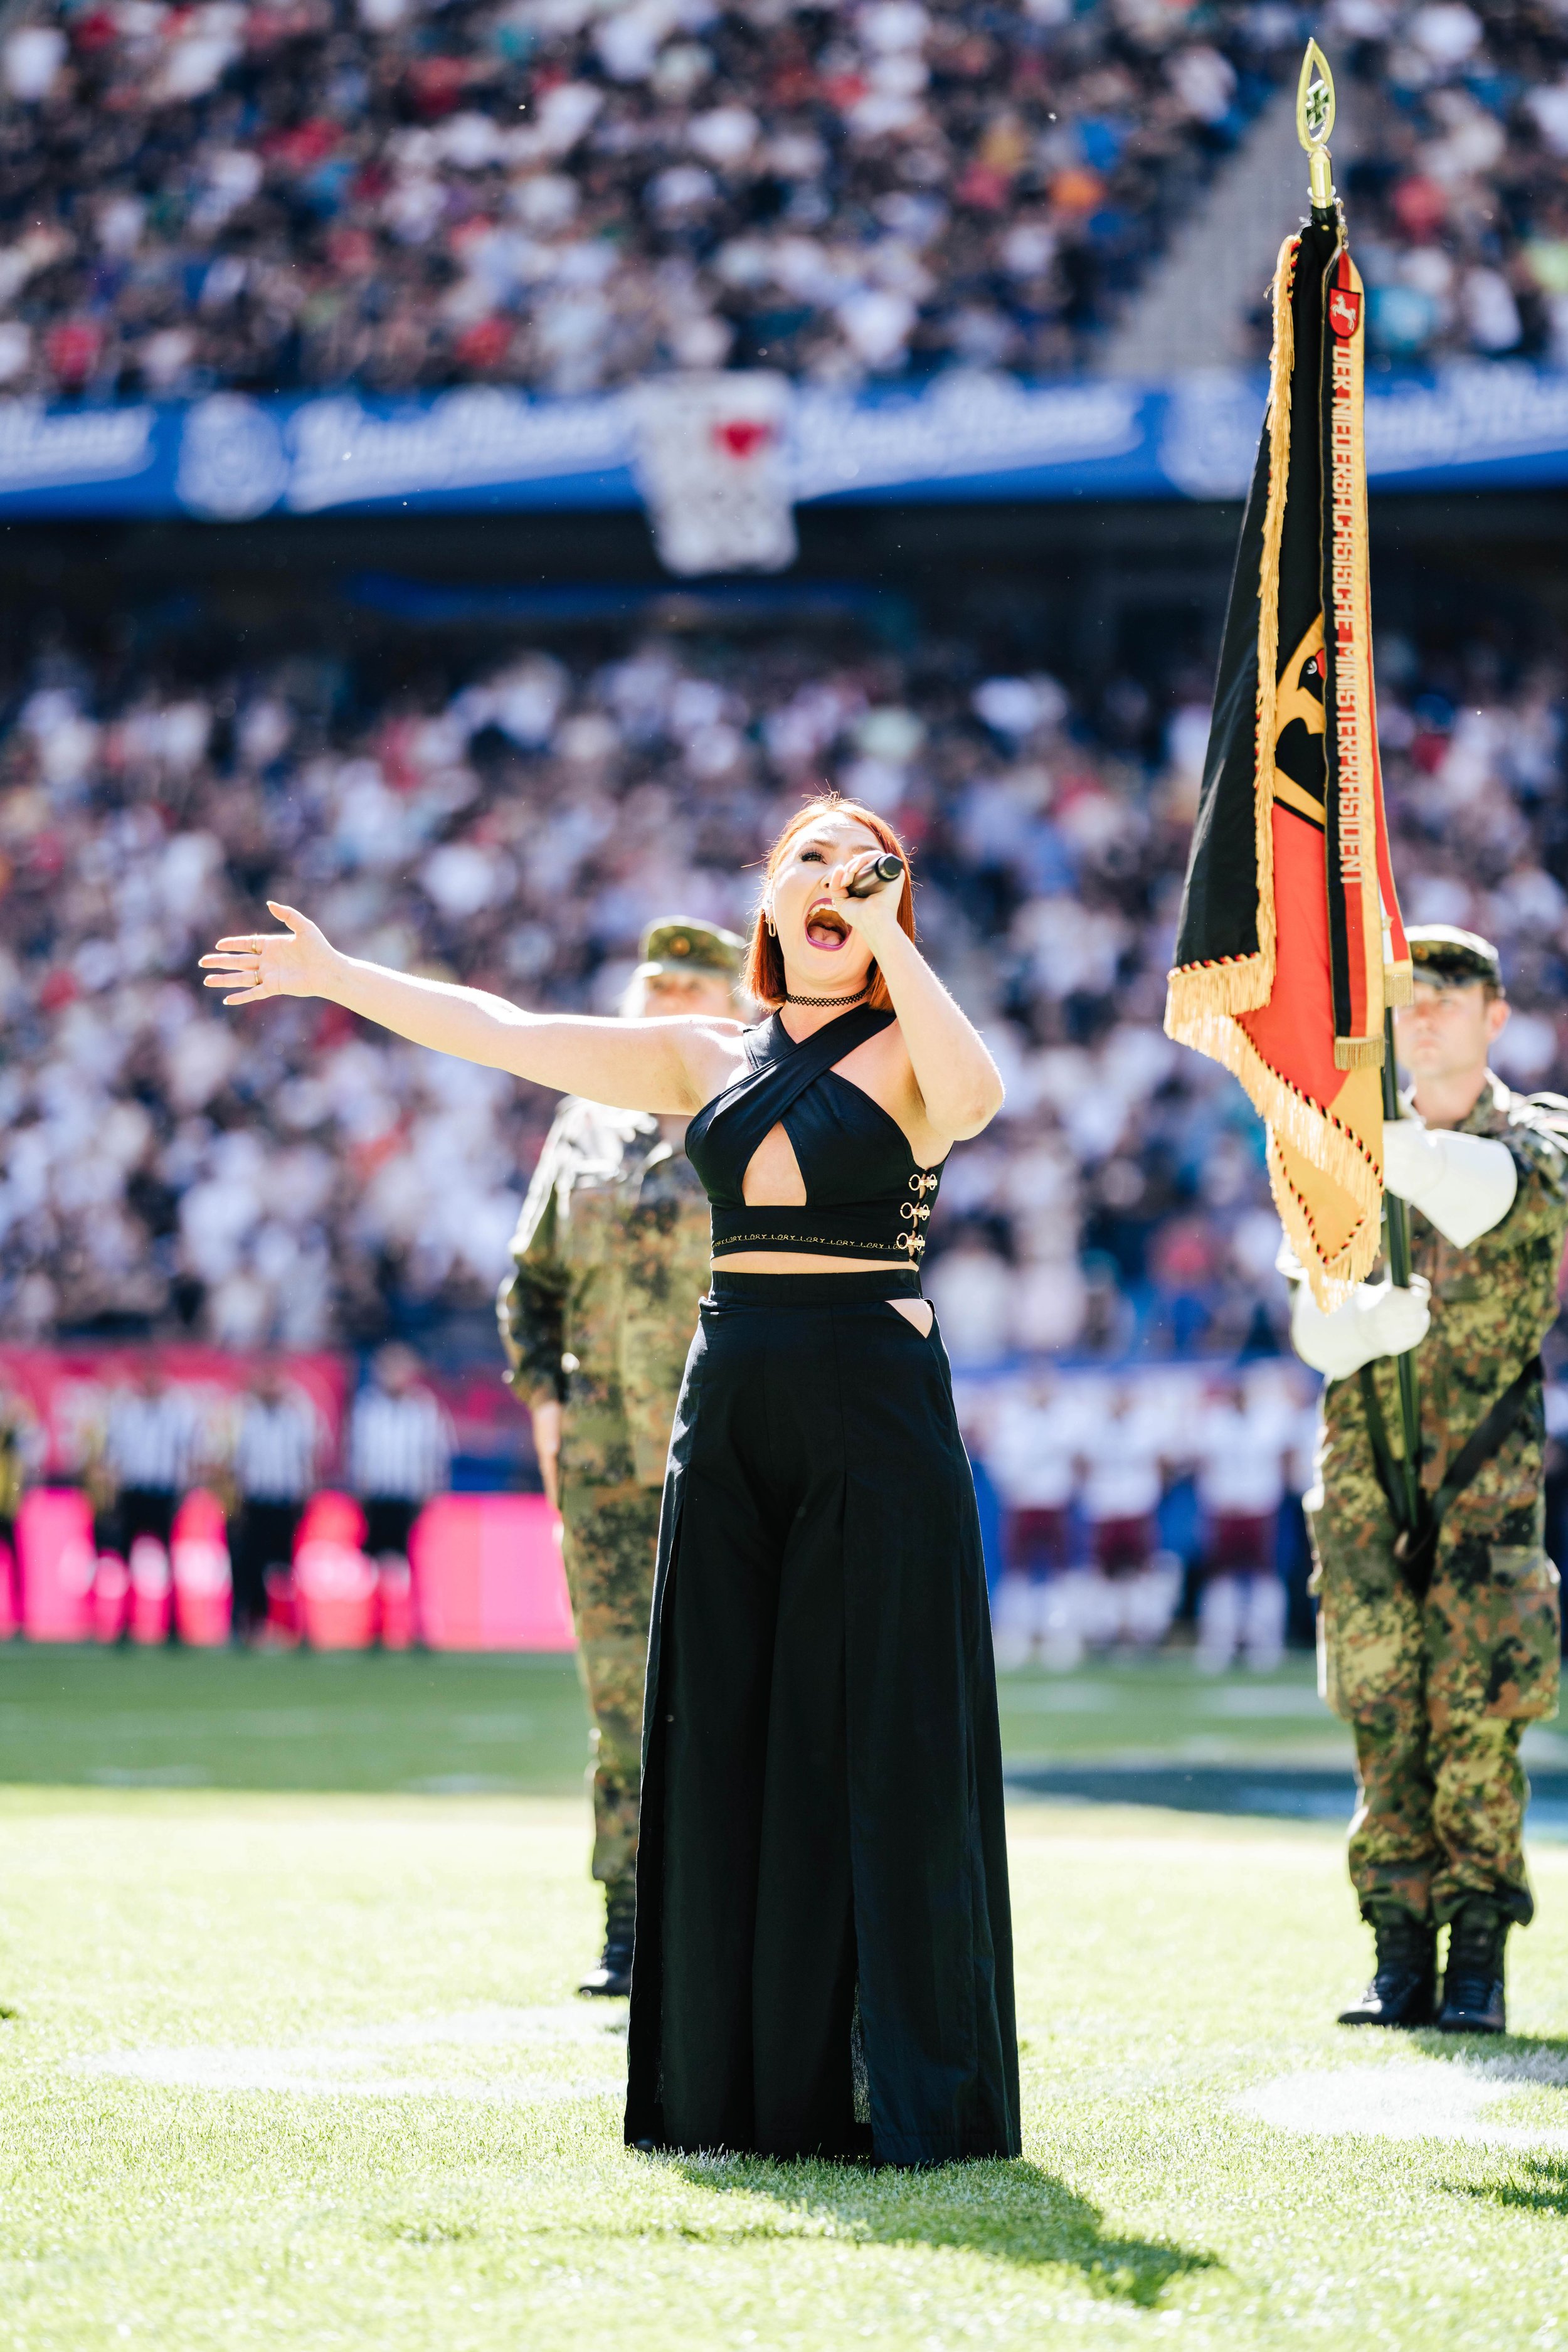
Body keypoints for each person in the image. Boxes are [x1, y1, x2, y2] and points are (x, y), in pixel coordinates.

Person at [201, 790, 1020, 2167]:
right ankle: (741, 2087)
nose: (829, 880)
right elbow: (512, 1036)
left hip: (871, 1401)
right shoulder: (704, 1053)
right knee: (725, 1728)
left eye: (856, 864)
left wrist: (892, 939)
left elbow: (979, 1097)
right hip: (731, 1388)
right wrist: (339, 978)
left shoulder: (909, 1046)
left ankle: (902, 2086)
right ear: (764, 901)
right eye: (802, 861)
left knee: (874, 1729)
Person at [1288, 926, 1567, 2036]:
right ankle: (1397, 1952)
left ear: (1496, 1017)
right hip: (1363, 1474)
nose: (1431, 1011)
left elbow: (1485, 1193)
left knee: (1475, 1720)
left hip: (1481, 1482)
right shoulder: (1341, 1148)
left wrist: (1352, 1129)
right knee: (1382, 1714)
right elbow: (1312, 1325)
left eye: (1454, 993)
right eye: (1413, 995)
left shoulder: (1534, 1134)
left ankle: (1478, 1958)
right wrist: (1357, 1330)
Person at [498, 918, 743, 1999]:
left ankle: (745, 1921)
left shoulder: (754, 1115)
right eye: (656, 987)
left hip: (729, 1450)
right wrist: (545, 1409)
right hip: (601, 1464)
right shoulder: (584, 1122)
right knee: (619, 1697)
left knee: (745, 1688)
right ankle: (629, 1920)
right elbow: (532, 1288)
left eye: (693, 987)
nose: (668, 1004)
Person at [1190, 1378, 1289, 1674]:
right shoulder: (1216, 1422)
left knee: (1263, 1575)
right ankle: (1221, 1640)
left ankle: (1264, 1642)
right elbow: (1203, 1463)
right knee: (1221, 1576)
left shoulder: (1271, 1419)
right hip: (1225, 1508)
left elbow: (1284, 1459)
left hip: (1259, 1507)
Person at [229, 1362, 318, 1646]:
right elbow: (235, 1463)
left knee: (289, 1567)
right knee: (251, 1566)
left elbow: (308, 1462)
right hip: (255, 1502)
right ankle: (251, 1626)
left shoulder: (296, 1420)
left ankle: (294, 1626)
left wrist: (306, 1497)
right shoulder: (245, 1418)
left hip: (285, 1502)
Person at [347, 1344, 452, 1575]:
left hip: (409, 1499)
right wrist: (359, 1488)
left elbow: (436, 1454)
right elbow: (359, 1452)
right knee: (371, 1561)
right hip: (376, 1497)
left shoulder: (424, 1408)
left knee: (407, 1562)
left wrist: (432, 1491)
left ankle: (404, 1608)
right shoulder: (368, 1406)